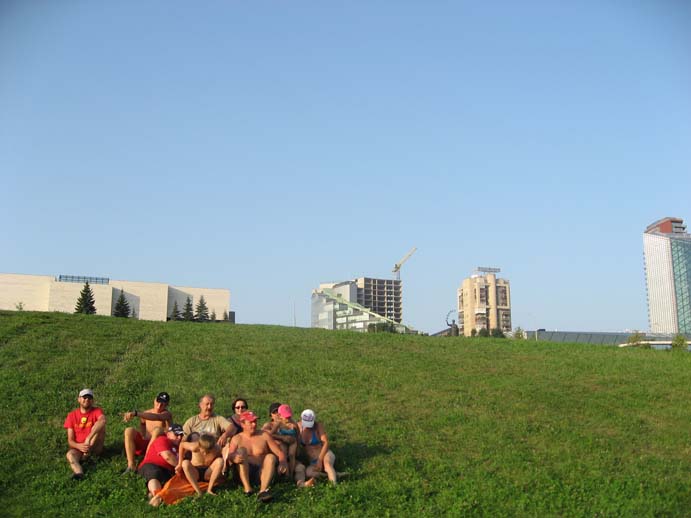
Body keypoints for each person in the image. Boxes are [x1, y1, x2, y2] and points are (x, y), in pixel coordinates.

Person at [225, 410, 288, 502]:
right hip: (244, 472)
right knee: (241, 451)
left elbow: (279, 452)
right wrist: (233, 457)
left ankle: (263, 491)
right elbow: (229, 456)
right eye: (251, 422)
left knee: (270, 457)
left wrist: (283, 462)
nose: (254, 424)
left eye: (255, 421)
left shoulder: (264, 435)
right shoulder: (237, 438)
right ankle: (247, 488)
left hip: (261, 472)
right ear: (242, 424)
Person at [122, 391, 172, 473]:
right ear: (154, 400)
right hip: (146, 442)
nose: (159, 405)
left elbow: (157, 417)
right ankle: (131, 465)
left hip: (157, 446)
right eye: (158, 402)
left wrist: (136, 413)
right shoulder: (146, 413)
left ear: (166, 405)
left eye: (162, 404)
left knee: (157, 430)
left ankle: (145, 461)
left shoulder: (167, 414)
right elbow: (142, 425)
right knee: (129, 430)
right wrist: (143, 436)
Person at [63, 388, 107, 480]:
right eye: (84, 397)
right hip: (79, 448)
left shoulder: (97, 411)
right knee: (70, 455)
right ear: (79, 399)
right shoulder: (72, 415)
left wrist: (88, 440)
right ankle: (79, 473)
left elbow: (102, 420)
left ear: (92, 401)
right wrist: (79, 446)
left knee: (100, 426)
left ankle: (88, 455)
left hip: (93, 446)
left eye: (89, 398)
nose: (87, 400)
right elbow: (70, 440)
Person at [138, 424, 184, 505]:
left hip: (168, 471)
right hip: (152, 464)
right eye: (176, 435)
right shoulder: (162, 439)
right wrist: (180, 467)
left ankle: (153, 495)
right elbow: (167, 456)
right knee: (154, 474)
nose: (179, 437)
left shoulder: (180, 448)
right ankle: (157, 496)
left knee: (167, 482)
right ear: (168, 434)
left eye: (181, 435)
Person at [298, 409, 337, 485]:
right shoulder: (298, 427)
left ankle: (334, 485)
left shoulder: (318, 426)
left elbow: (326, 442)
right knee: (308, 473)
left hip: (324, 454)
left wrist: (320, 459)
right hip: (312, 461)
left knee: (327, 465)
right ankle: (332, 475)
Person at [262, 403, 299, 477]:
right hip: (281, 446)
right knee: (283, 451)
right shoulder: (271, 425)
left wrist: (297, 441)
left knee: (292, 455)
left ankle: (291, 474)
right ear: (271, 415)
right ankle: (286, 474)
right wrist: (282, 438)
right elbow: (268, 435)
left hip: (292, 442)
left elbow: (298, 434)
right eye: (274, 412)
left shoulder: (292, 423)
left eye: (277, 412)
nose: (276, 415)